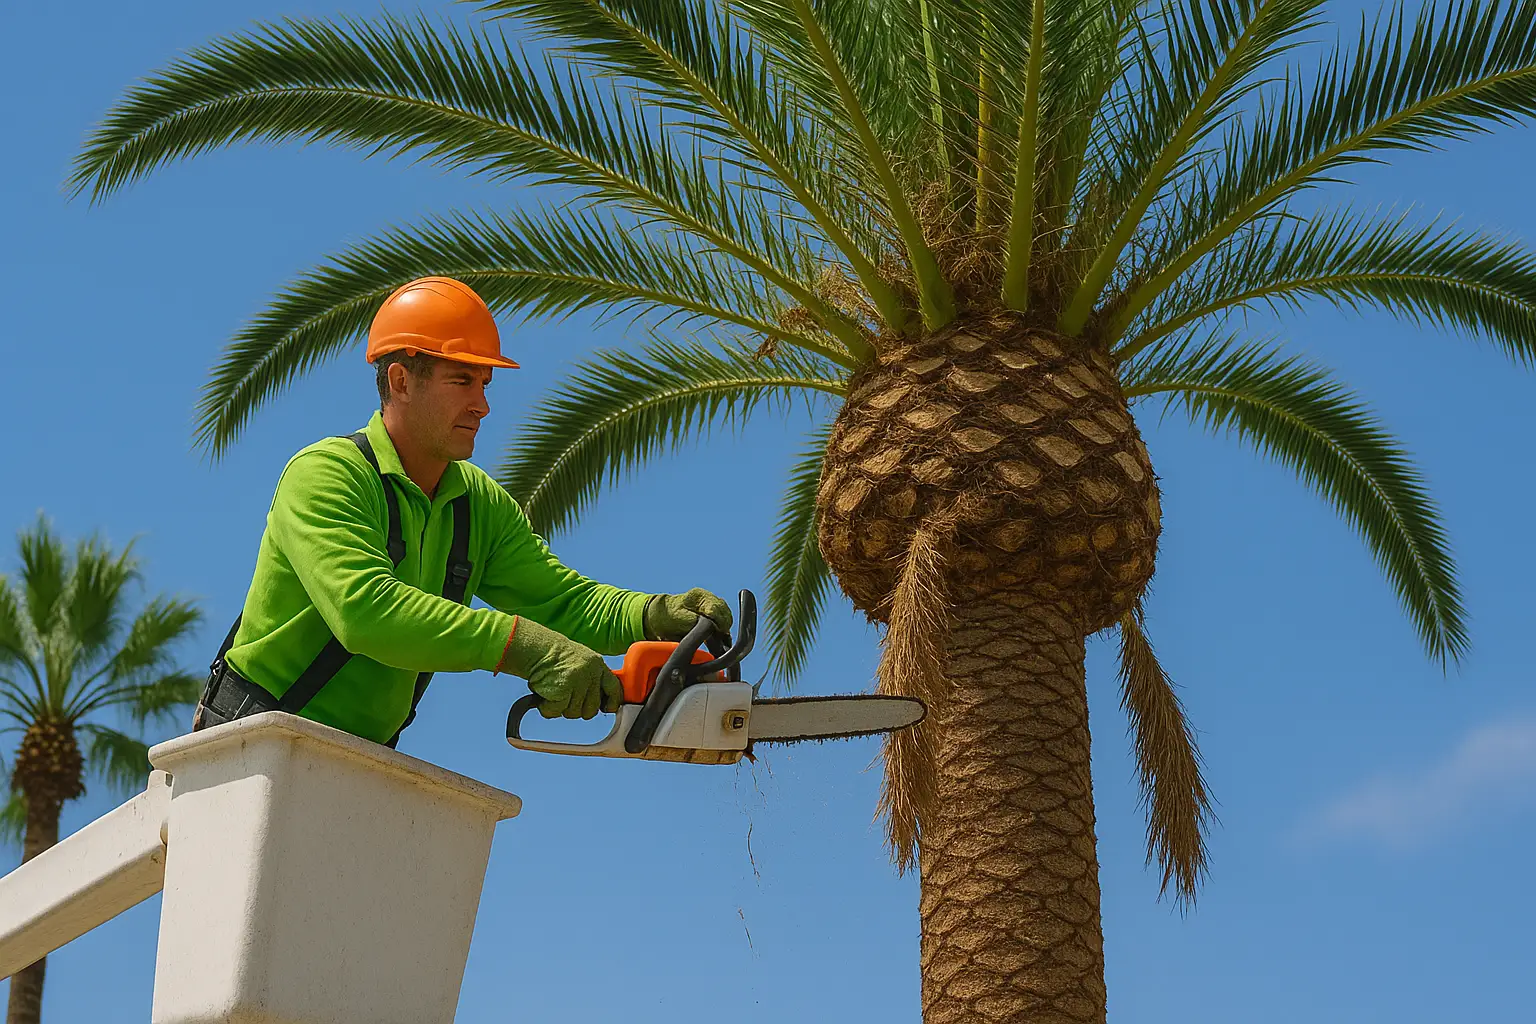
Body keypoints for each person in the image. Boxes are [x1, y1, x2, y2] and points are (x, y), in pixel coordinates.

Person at [192, 276, 731, 748]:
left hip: (361, 759)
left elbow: (561, 603)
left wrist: (653, 616)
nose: (482, 404)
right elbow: (364, 613)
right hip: (247, 744)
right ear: (402, 381)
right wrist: (523, 647)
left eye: (484, 383)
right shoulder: (325, 475)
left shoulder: (477, 504)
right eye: (462, 380)